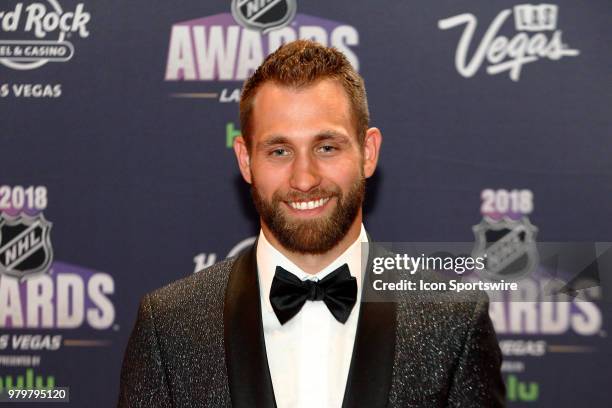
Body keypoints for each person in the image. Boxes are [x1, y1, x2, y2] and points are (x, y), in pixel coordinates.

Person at [118, 40, 505, 407]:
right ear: (245, 160)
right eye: (280, 150)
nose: (304, 178)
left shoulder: (452, 318)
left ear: (368, 152)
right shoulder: (170, 326)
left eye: (327, 147)